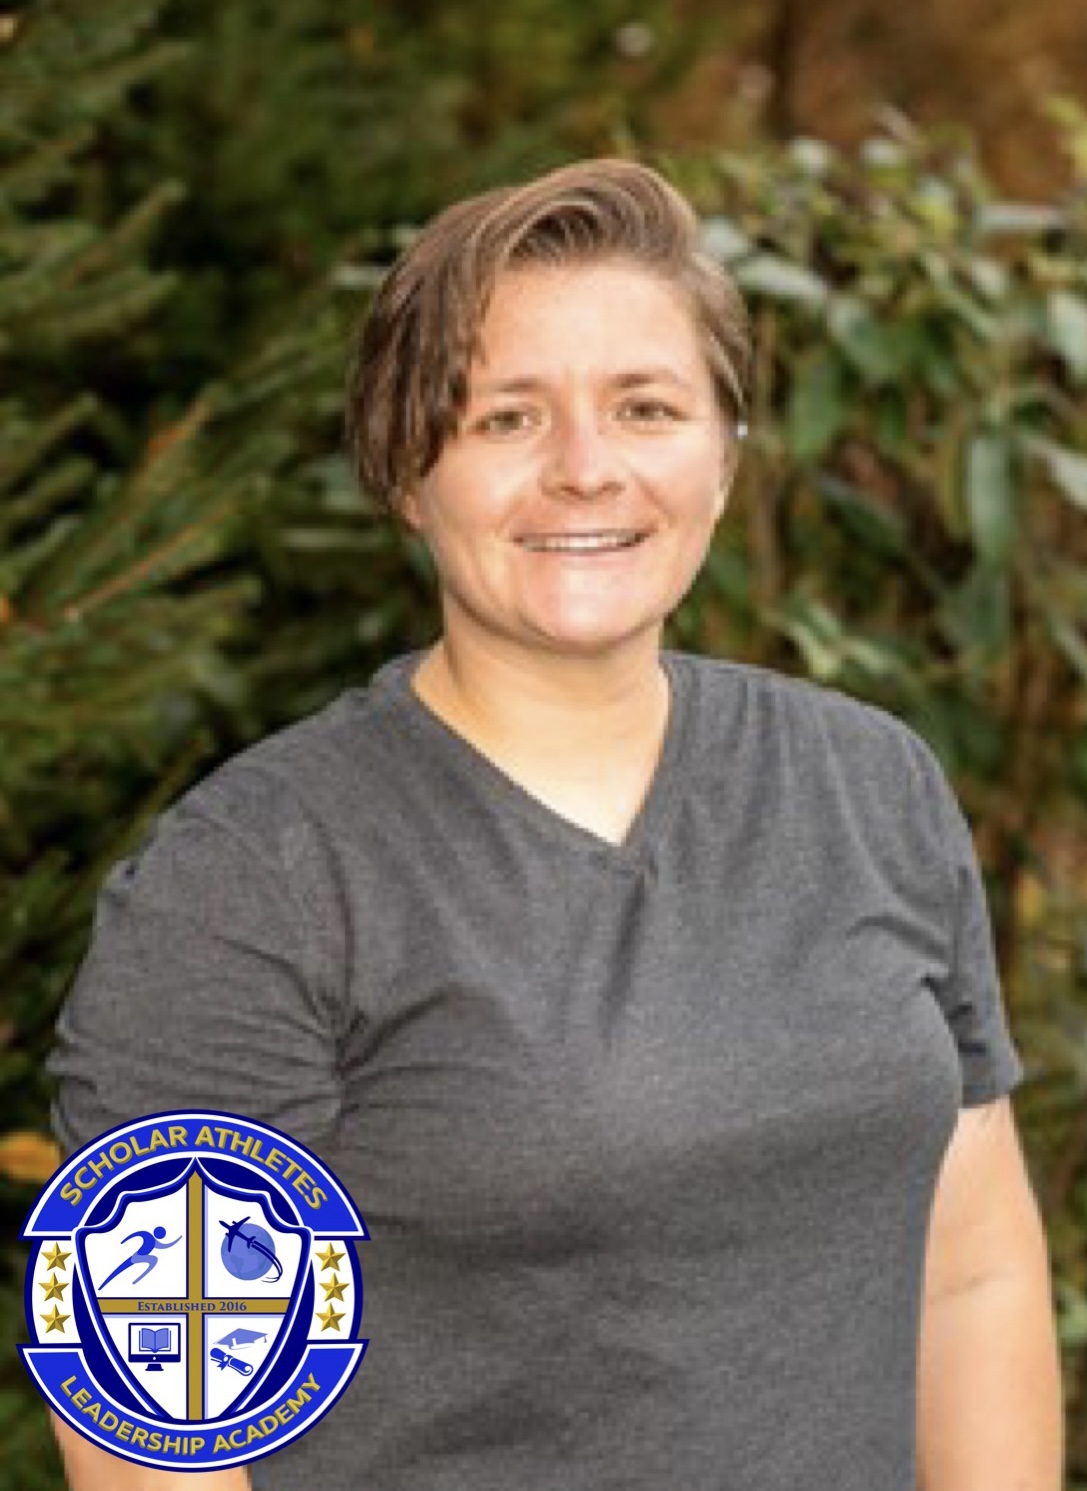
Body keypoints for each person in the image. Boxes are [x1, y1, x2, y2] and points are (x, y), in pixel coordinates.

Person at [47, 159, 1062, 1490]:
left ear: (723, 453)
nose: (587, 471)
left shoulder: (870, 785)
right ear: (406, 472)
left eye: (647, 407)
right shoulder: (253, 882)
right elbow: (146, 1432)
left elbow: (970, 1272)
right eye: (505, 419)